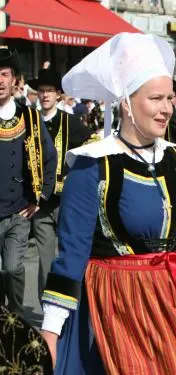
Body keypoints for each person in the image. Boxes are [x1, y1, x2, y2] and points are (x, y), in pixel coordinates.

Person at [39, 33, 176, 374]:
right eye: (156, 98)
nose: (167, 108)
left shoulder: (174, 157)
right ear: (126, 102)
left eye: (169, 98)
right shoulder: (92, 163)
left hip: (173, 301)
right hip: (118, 305)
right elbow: (72, 252)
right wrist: (51, 330)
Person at [27, 68, 95, 303]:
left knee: (71, 256)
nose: (45, 95)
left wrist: (76, 174)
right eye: (41, 91)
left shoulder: (70, 121)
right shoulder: (29, 121)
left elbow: (92, 143)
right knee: (45, 261)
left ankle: (72, 308)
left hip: (67, 200)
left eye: (49, 91)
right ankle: (47, 312)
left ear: (58, 95)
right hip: (41, 204)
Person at [0, 48, 57, 316]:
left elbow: (49, 157)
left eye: (4, 74)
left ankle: (17, 315)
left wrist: (40, 196)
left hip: (18, 210)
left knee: (12, 268)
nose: (0, 81)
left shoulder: (31, 117)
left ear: (14, 81)